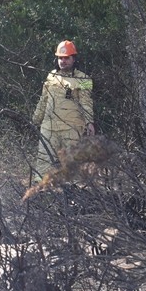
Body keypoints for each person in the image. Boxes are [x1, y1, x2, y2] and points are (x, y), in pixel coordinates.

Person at [31, 39, 95, 183]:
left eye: (66, 58)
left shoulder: (84, 79)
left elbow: (86, 102)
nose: (63, 61)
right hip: (49, 127)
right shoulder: (51, 76)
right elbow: (43, 99)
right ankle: (40, 192)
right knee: (43, 161)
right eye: (60, 58)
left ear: (74, 59)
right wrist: (36, 119)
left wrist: (90, 122)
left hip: (71, 127)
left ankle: (76, 194)